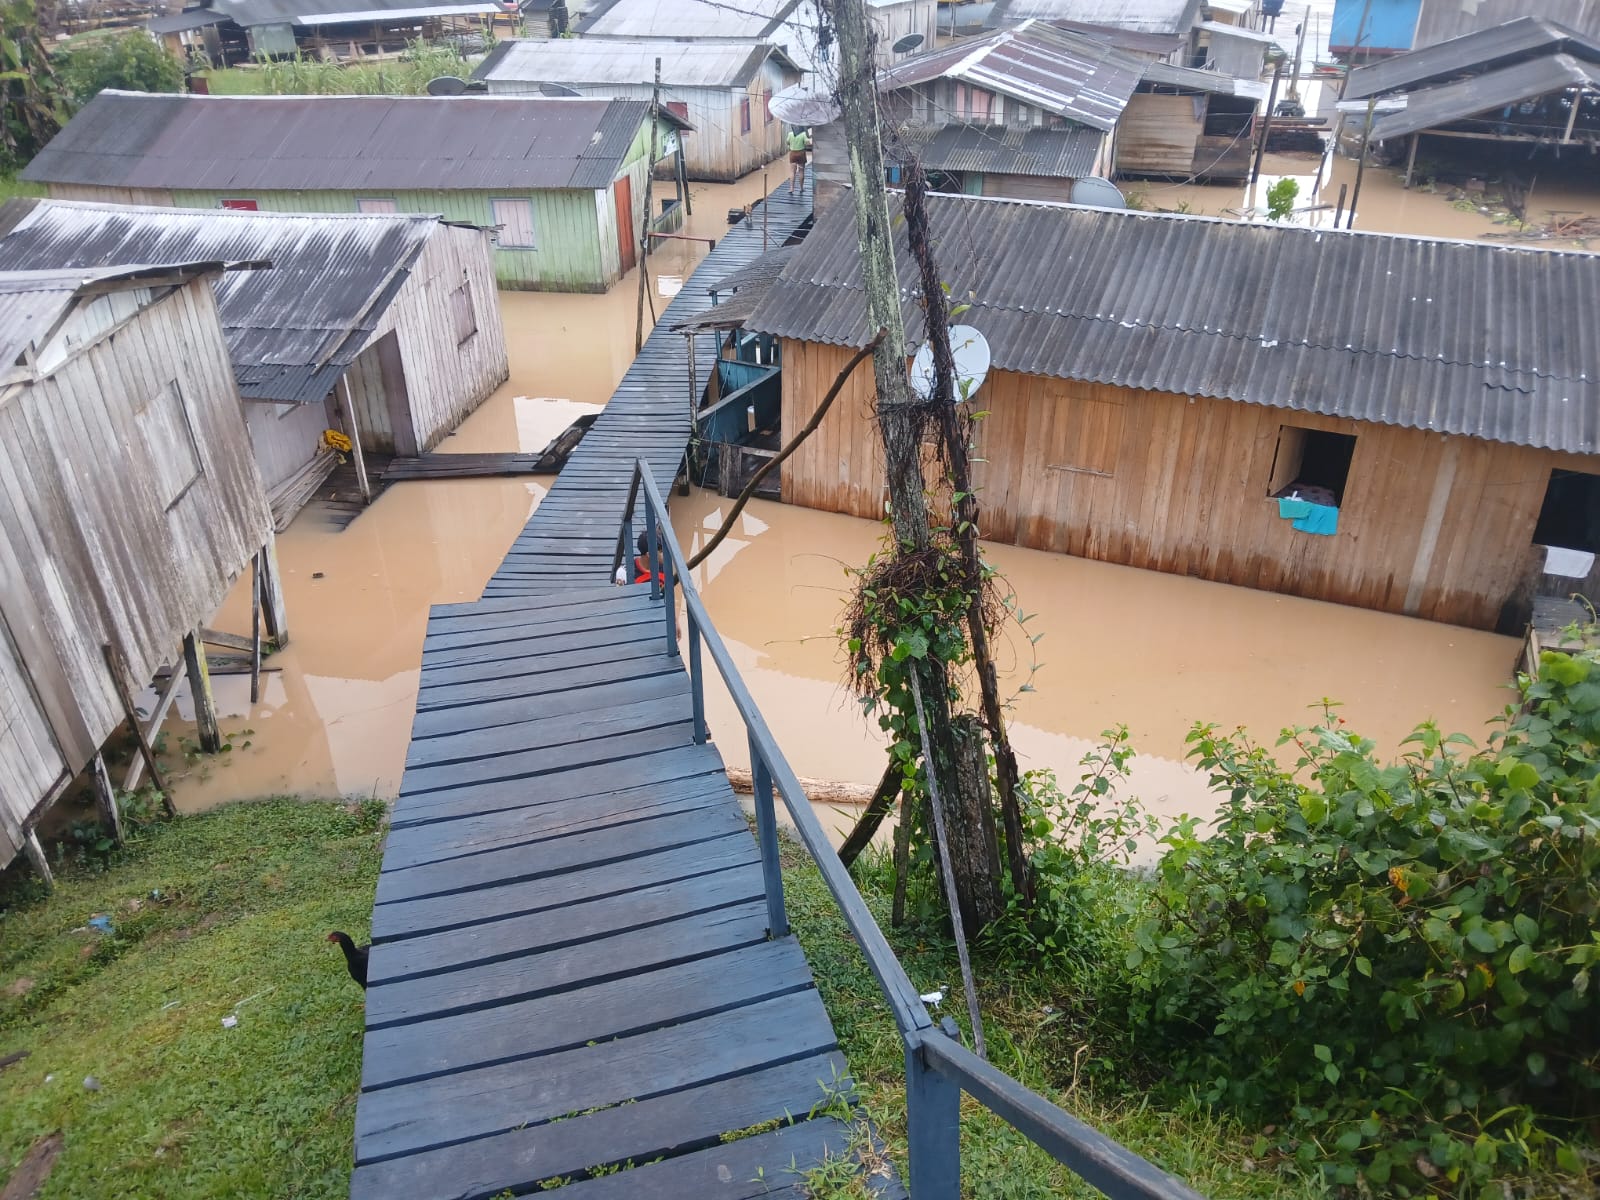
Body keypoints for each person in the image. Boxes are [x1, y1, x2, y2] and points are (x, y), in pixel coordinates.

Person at [787, 126, 811, 194]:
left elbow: (787, 142)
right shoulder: (803, 134)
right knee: (801, 171)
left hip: (792, 154)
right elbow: (807, 143)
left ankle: (791, 188)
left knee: (792, 172)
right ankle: (801, 188)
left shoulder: (790, 134)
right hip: (801, 154)